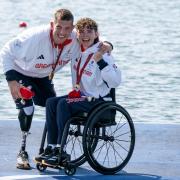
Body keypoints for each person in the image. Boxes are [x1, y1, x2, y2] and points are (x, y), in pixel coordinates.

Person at [0, 9, 112, 170]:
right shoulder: (35, 37)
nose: (62, 32)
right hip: (21, 72)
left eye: (67, 29)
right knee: (28, 109)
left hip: (44, 76)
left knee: (52, 105)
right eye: (58, 27)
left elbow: (95, 38)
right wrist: (11, 81)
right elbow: (6, 51)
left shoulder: (75, 37)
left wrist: (108, 45)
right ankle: (22, 152)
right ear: (52, 24)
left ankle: (53, 148)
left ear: (72, 28)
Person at [34, 17, 121, 166]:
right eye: (82, 31)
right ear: (77, 34)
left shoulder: (103, 53)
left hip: (97, 101)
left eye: (89, 31)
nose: (85, 35)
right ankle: (51, 147)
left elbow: (116, 81)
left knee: (63, 104)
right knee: (51, 102)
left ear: (96, 34)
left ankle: (61, 150)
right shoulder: (77, 50)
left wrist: (100, 61)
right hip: (81, 97)